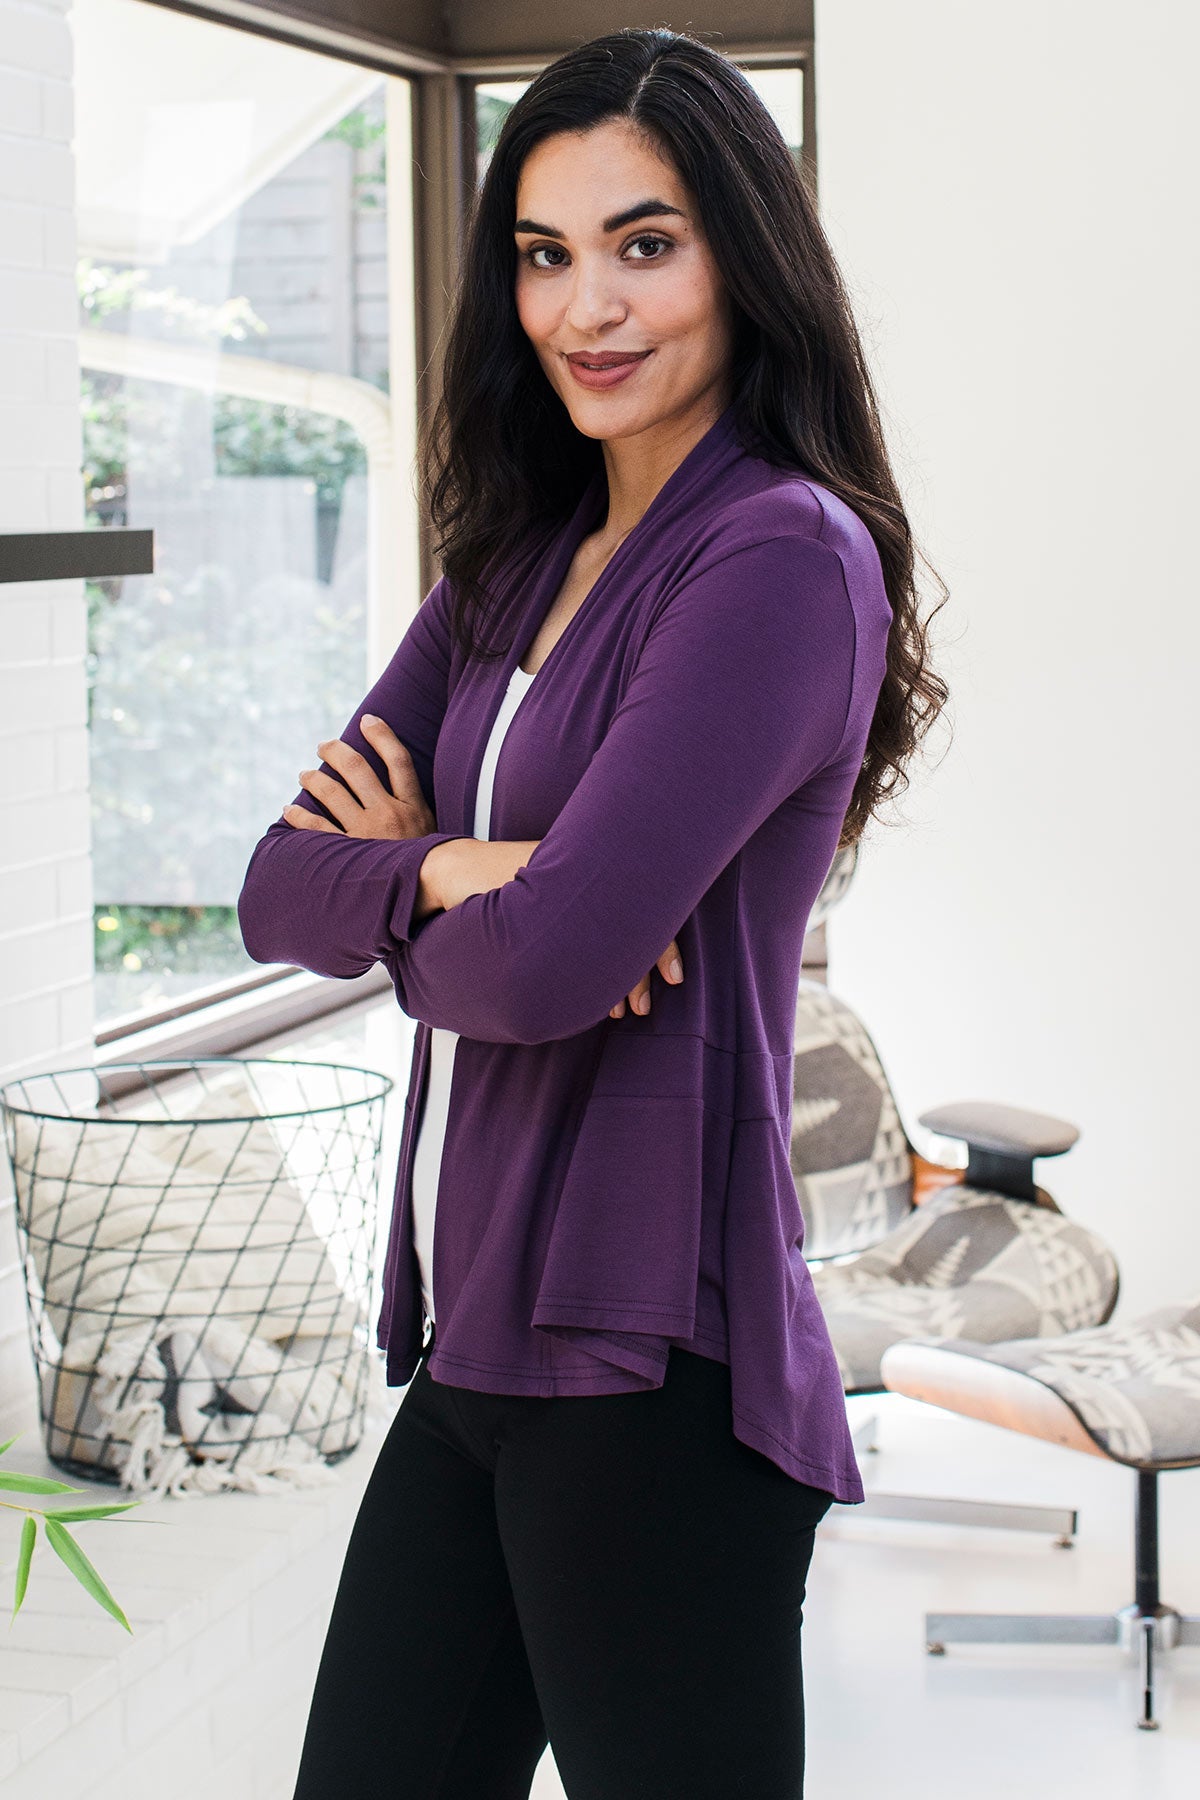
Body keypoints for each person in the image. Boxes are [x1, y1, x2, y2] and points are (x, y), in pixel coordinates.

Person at [238, 26, 948, 1800]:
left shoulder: (779, 557)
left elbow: (553, 966)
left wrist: (484, 904)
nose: (587, 307)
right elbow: (273, 888)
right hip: (479, 1330)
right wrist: (453, 872)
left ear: (744, 258)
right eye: (545, 255)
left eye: (646, 244)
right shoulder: (513, 560)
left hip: (650, 1361)